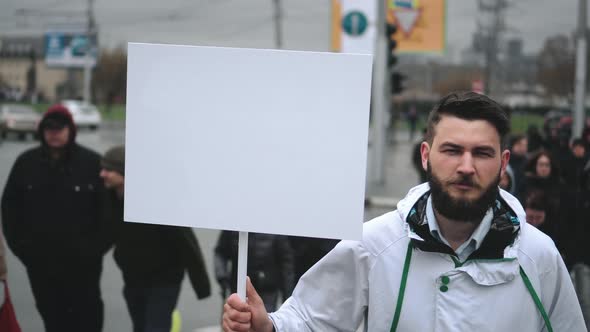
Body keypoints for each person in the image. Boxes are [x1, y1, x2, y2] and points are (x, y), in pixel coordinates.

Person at [221, 91, 585, 331]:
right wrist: (266, 326)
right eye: (452, 150)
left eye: (482, 153)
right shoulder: (375, 244)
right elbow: (310, 320)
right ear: (426, 155)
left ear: (504, 163)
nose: (466, 166)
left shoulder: (537, 257)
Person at [1, 104, 111, 332]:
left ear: (70, 130)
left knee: (88, 319)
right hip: (42, 266)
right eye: (49, 128)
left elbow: (109, 213)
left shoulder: (92, 164)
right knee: (54, 319)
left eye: (60, 128)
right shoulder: (26, 164)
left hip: (84, 268)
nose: (54, 133)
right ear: (42, 131)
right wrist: (25, 251)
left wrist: (94, 250)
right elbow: (10, 211)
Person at [100, 145, 211, 332]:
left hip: (164, 281)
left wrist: (202, 286)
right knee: (140, 326)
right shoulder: (110, 199)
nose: (102, 174)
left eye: (109, 170)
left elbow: (187, 244)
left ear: (124, 172)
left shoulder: (157, 202)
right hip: (133, 280)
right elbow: (106, 236)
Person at [214, 231, 295, 312]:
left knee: (265, 319)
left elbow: (286, 263)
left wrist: (287, 296)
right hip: (239, 287)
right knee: (238, 318)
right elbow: (221, 252)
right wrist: (222, 276)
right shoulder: (235, 228)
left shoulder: (273, 229)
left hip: (267, 289)